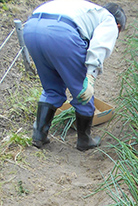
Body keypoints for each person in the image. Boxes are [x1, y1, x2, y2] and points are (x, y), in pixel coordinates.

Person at [23, 1, 126, 151]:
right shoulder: (109, 20)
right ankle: (84, 140)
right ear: (118, 27)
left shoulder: (86, 10)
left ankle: (39, 136)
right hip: (60, 34)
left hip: (31, 29)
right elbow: (99, 45)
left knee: (51, 88)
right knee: (82, 91)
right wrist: (90, 77)